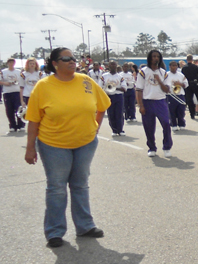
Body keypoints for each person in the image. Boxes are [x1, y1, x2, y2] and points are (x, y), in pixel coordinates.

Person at [24, 47, 110, 247]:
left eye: (73, 58)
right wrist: (30, 148)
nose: (72, 61)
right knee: (57, 188)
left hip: (85, 144)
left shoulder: (86, 81)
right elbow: (33, 120)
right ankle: (55, 232)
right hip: (54, 145)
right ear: (55, 64)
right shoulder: (43, 86)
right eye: (66, 58)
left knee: (80, 184)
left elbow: (103, 105)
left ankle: (85, 226)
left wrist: (95, 129)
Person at [135, 50, 173, 158]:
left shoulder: (163, 73)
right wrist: (141, 105)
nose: (156, 58)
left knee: (166, 123)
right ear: (149, 58)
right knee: (149, 127)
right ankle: (152, 148)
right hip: (147, 102)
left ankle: (167, 147)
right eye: (153, 56)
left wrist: (159, 80)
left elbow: (167, 90)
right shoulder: (143, 72)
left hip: (160, 101)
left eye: (157, 56)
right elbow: (139, 90)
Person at [101, 61, 125, 136]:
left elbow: (124, 88)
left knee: (119, 113)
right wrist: (106, 90)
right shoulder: (104, 76)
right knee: (111, 113)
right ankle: (114, 130)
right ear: (108, 66)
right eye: (111, 65)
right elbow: (100, 87)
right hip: (109, 96)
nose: (113, 66)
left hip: (118, 96)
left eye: (114, 65)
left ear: (116, 66)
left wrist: (113, 87)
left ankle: (120, 130)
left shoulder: (120, 77)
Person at [1, 57, 24, 132]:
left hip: (17, 92)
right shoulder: (3, 72)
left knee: (18, 108)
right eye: (10, 62)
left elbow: (23, 80)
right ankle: (12, 125)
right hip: (7, 92)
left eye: (12, 62)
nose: (11, 64)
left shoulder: (18, 71)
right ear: (7, 63)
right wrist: (5, 83)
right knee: (9, 110)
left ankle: (21, 125)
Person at [165, 60, 189, 132]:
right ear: (170, 66)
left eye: (176, 65)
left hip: (180, 94)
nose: (175, 67)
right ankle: (173, 124)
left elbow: (186, 84)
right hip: (171, 95)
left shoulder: (181, 75)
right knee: (171, 111)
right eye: (173, 65)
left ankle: (181, 124)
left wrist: (179, 84)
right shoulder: (166, 75)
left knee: (181, 110)